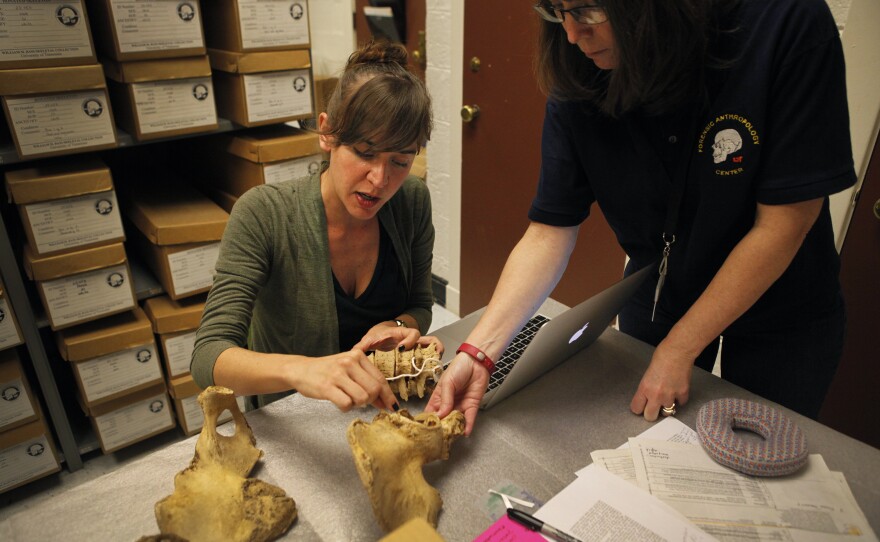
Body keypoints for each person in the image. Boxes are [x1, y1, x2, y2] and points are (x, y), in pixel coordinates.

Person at [427, 0, 855, 434]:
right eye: (556, 11)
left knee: (768, 458)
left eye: (588, 10)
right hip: (660, 288)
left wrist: (680, 347)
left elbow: (785, 223)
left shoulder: (784, 20)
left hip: (782, 301)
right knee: (639, 436)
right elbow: (549, 232)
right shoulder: (576, 67)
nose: (573, 35)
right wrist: (478, 352)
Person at [191, 41, 438, 412]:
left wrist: (397, 325)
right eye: (365, 153)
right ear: (327, 133)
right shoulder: (264, 214)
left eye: (400, 161)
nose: (379, 179)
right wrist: (305, 371)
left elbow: (419, 303)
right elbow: (208, 357)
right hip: (296, 417)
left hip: (383, 406)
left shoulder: (412, 201)